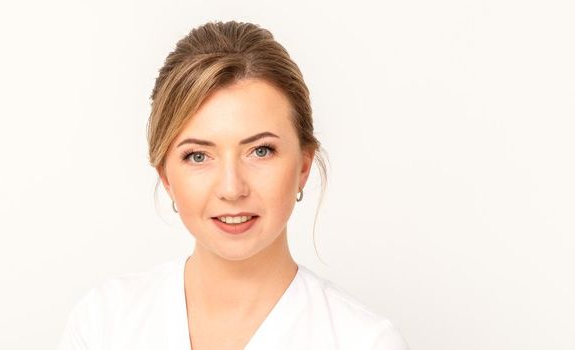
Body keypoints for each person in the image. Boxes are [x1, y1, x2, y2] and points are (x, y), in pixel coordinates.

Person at [57, 20, 410, 350]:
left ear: (303, 166)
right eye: (198, 156)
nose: (231, 188)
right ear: (166, 176)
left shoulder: (361, 341)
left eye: (260, 151)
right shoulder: (104, 323)